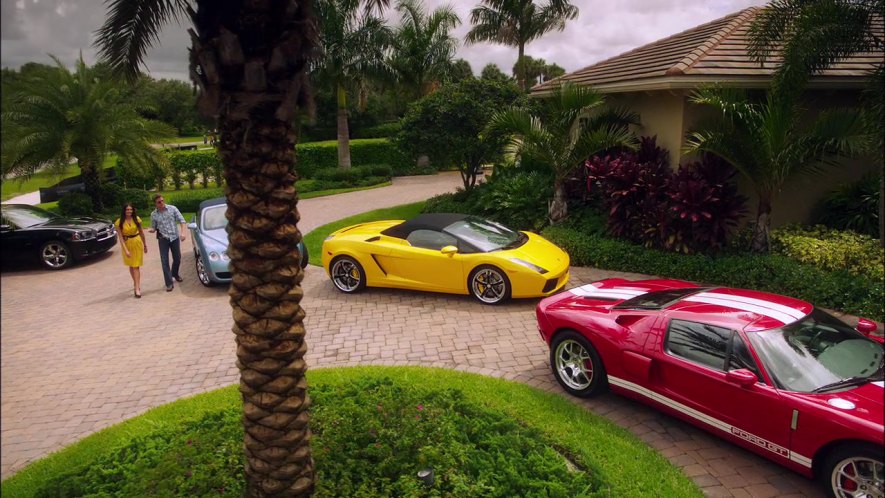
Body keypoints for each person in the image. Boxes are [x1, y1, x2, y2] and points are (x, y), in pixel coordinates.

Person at [149, 194, 187, 291]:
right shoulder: (154, 214)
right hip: (163, 239)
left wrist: (183, 233)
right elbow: (154, 226)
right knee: (164, 261)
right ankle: (169, 283)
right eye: (159, 202)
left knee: (177, 258)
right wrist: (152, 230)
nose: (162, 203)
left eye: (162, 200)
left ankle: (175, 273)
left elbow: (182, 221)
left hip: (174, 238)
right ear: (155, 204)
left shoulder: (172, 209)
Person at [115, 203, 148, 298]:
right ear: (124, 211)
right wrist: (126, 250)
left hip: (137, 242)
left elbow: (141, 232)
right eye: (127, 210)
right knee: (131, 265)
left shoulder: (137, 219)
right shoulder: (119, 222)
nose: (129, 211)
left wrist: (145, 244)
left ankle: (137, 288)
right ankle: (136, 284)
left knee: (136, 266)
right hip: (127, 244)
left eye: (130, 209)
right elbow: (120, 237)